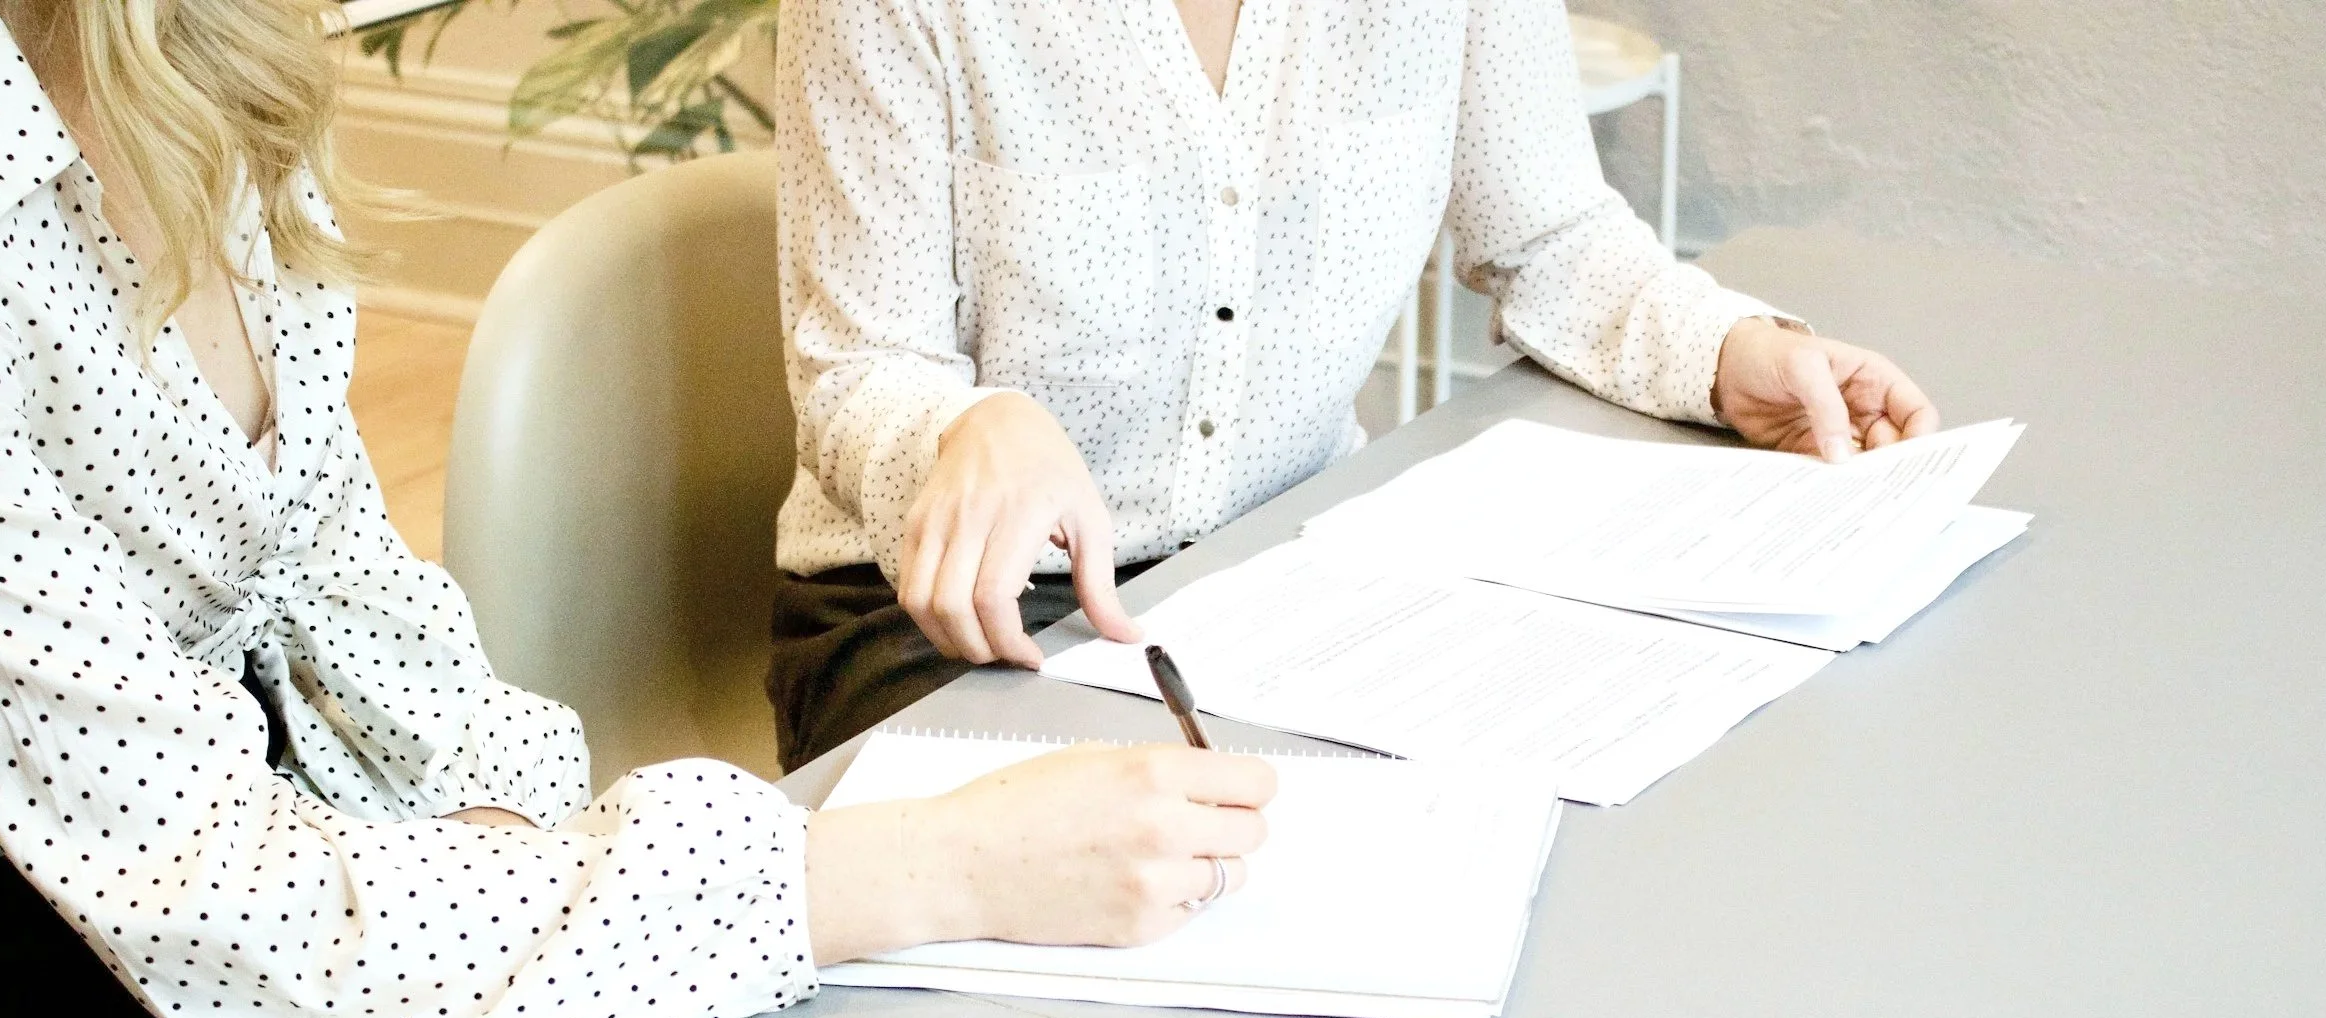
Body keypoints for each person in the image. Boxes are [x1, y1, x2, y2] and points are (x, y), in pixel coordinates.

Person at [0, 0, 1274, 1018]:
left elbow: (345, 590)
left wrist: (511, 834)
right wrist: (925, 870)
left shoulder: (203, 62)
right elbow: (215, 894)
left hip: (243, 850)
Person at [769, 0, 1944, 767]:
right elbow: (858, 367)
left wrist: (1731, 351)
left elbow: (1548, 232)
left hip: (1279, 579)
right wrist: (967, 427)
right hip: (947, 620)